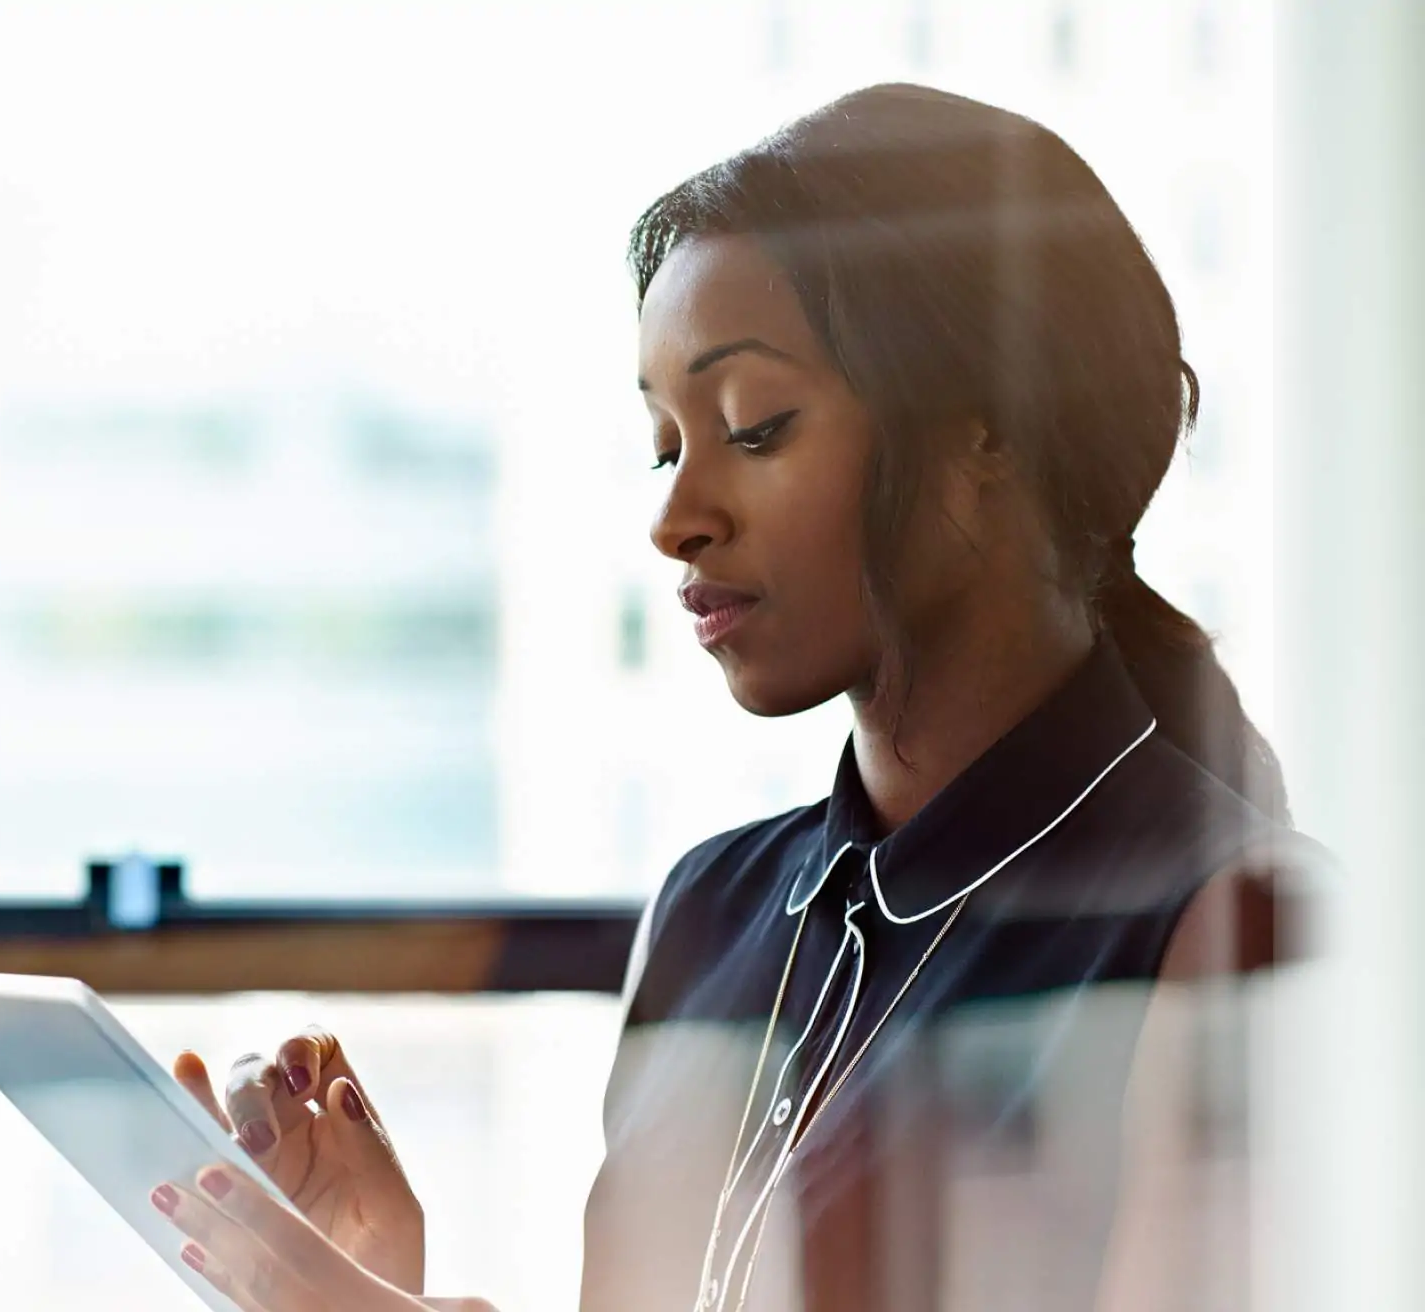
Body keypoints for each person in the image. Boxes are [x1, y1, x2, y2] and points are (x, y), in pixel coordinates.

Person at [146, 82, 1321, 1311]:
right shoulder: (708, 911)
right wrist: (373, 1278)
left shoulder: (1247, 927)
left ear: (993, 436)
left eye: (753, 426)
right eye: (666, 443)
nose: (674, 517)